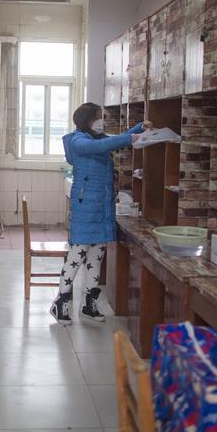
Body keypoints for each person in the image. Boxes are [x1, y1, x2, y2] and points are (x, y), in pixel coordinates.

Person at [52, 102, 151, 324]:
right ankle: (61, 302)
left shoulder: (97, 138)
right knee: (77, 254)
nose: (101, 121)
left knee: (96, 256)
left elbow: (113, 140)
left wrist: (138, 128)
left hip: (102, 206)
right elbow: (104, 145)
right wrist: (131, 138)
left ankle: (89, 304)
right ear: (86, 119)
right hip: (85, 207)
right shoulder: (77, 140)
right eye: (98, 117)